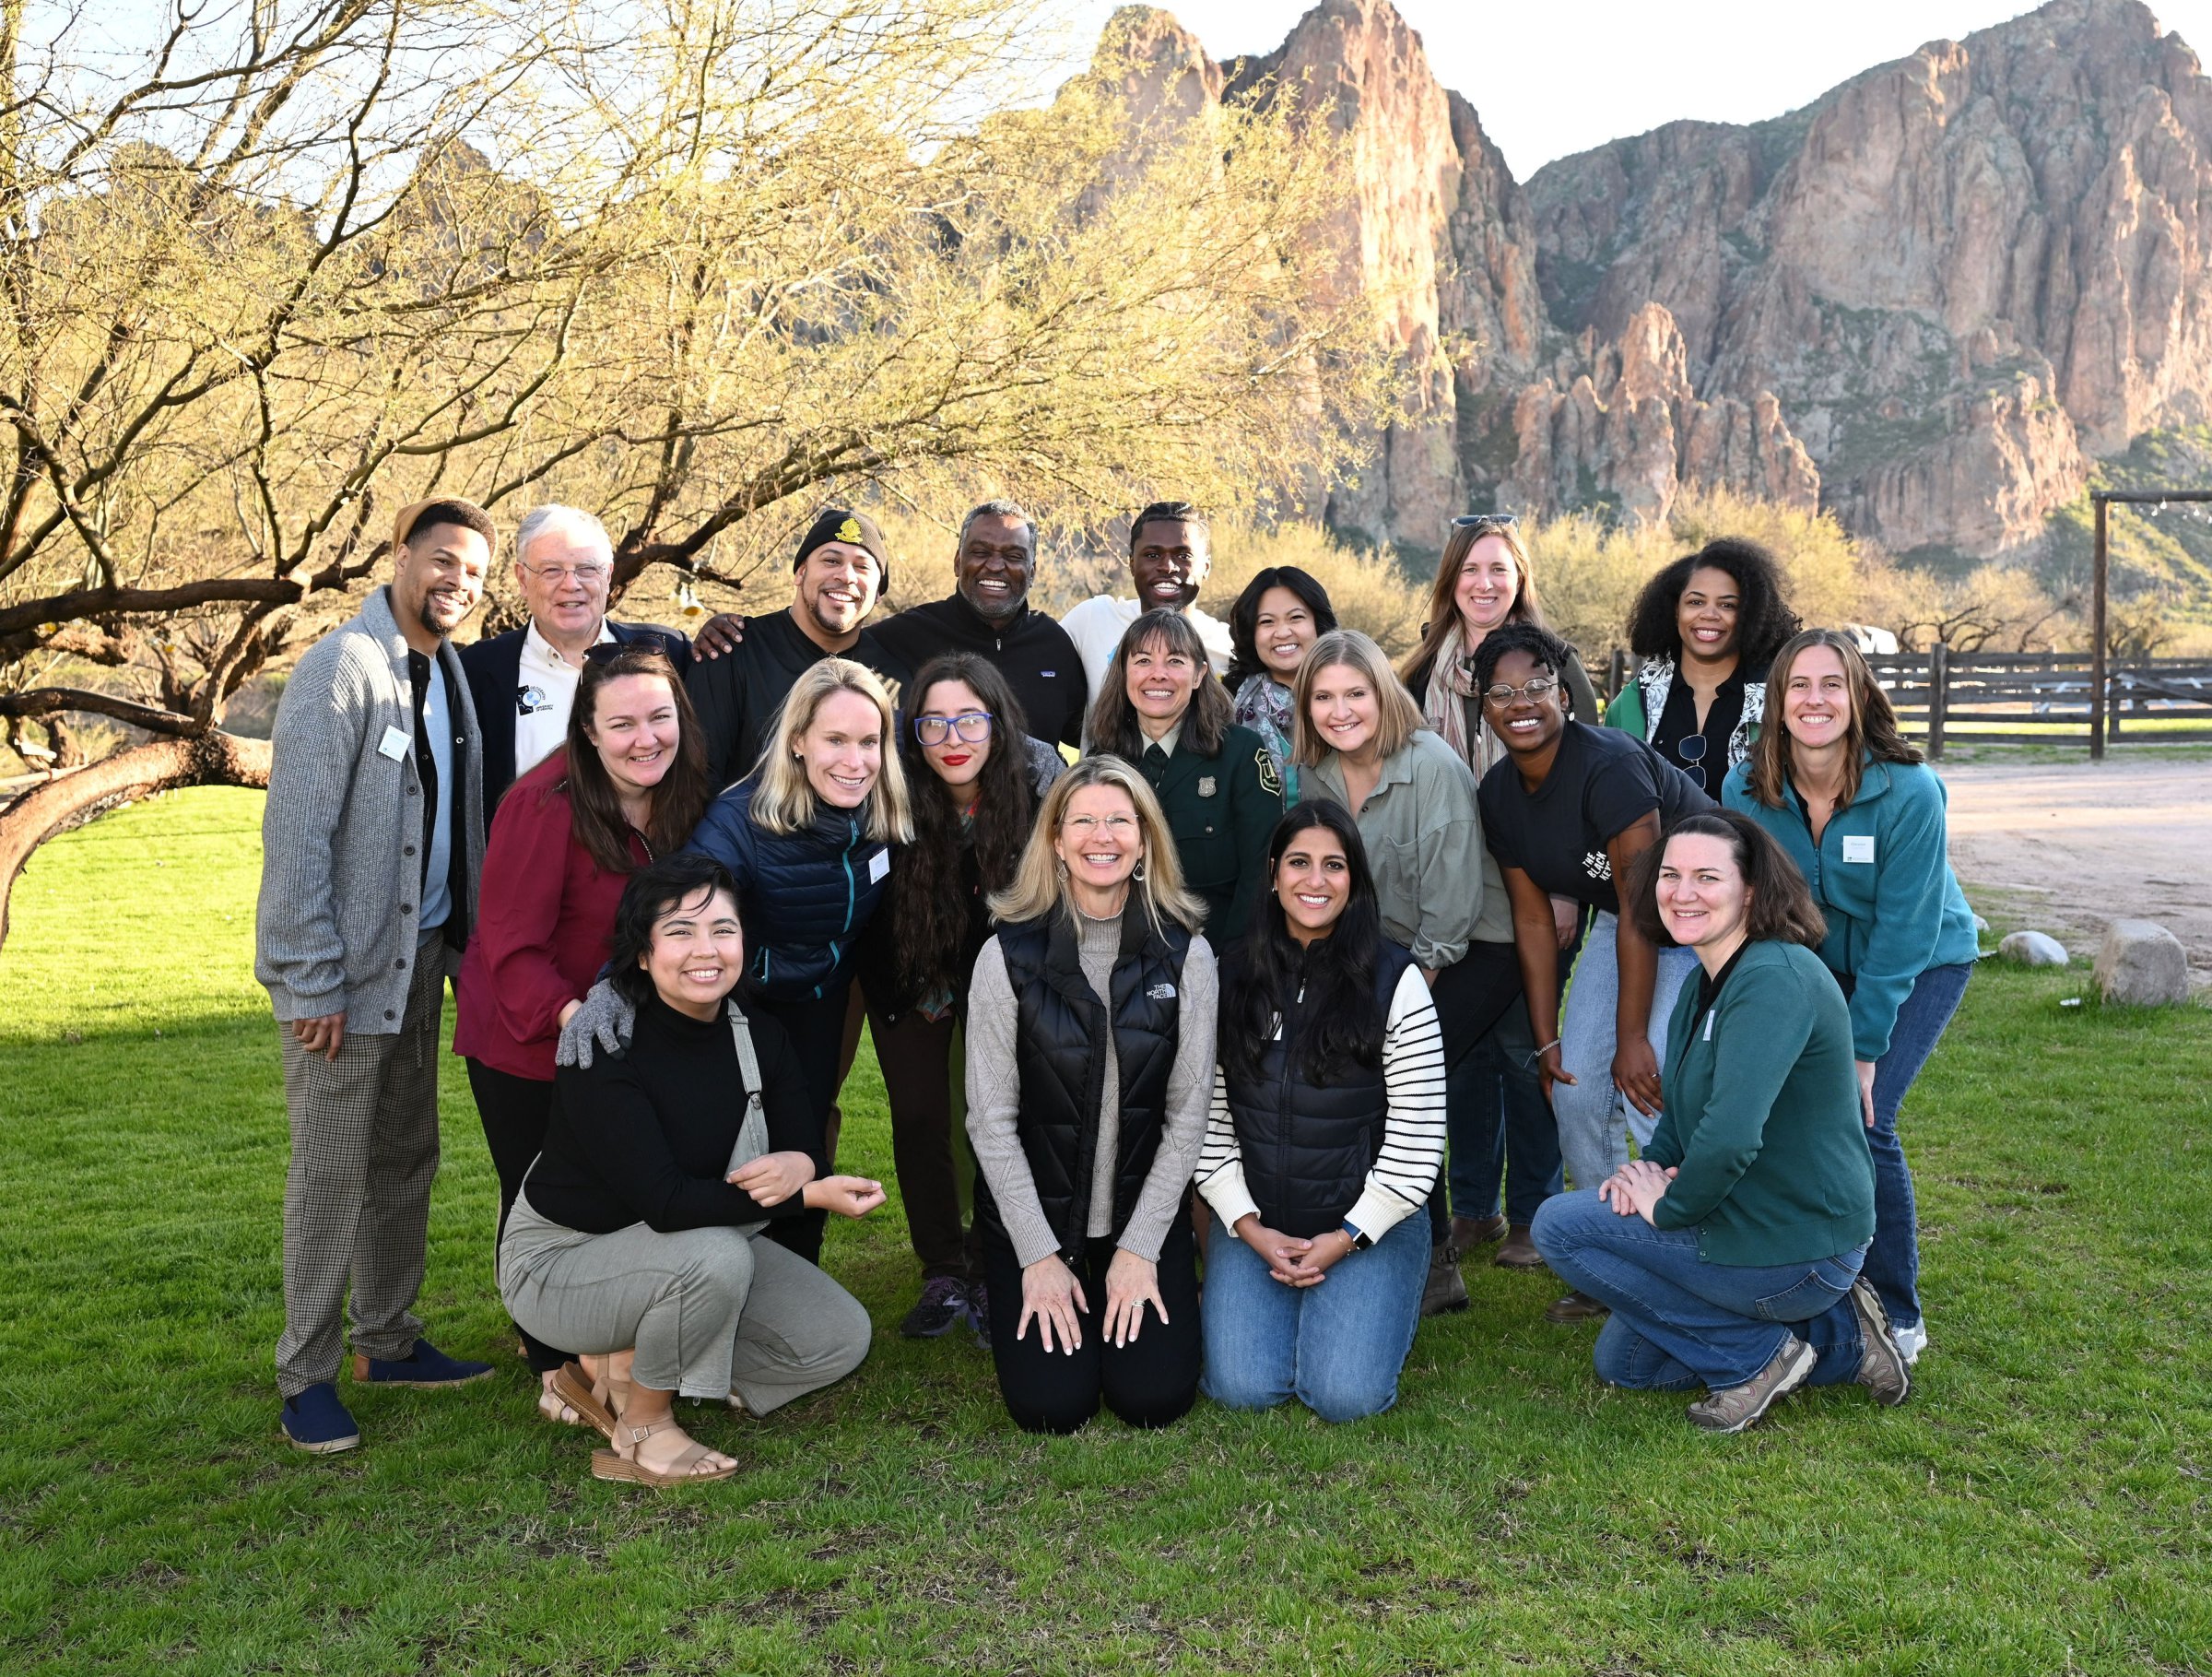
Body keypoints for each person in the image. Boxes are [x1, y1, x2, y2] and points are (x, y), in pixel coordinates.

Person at [500, 855, 884, 1485]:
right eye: (680, 931)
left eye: (723, 930)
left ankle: (618, 1364)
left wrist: (799, 1160)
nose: (706, 949)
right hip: (562, 1262)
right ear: (643, 955)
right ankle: (645, 1424)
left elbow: (799, 1142)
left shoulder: (758, 1033)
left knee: (837, 1338)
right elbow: (669, 1203)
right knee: (718, 1257)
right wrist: (808, 1194)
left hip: (689, 1248)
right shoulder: (606, 1046)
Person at [1531, 812, 1912, 1434]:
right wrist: (1643, 1173)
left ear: (1752, 891)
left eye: (1707, 877)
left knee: (1560, 1226)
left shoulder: (1775, 978)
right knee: (1626, 1361)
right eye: (1671, 875)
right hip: (1744, 1215)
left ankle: (1756, 1358)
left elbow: (1731, 1138)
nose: (1684, 892)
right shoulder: (1704, 982)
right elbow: (1683, 1120)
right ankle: (1842, 1339)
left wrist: (1667, 1207)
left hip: (1801, 1240)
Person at [255, 497, 498, 1455]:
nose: (456, 583)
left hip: (419, 960)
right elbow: (297, 837)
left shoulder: (441, 673)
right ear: (401, 556)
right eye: (443, 562)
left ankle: (386, 1339)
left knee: (404, 1156)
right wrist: (312, 979)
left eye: (474, 573)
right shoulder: (341, 669)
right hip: (343, 983)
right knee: (329, 1174)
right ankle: (304, 1376)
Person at [563, 659, 912, 1267]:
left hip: (821, 996)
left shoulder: (883, 814)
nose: (855, 759)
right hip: (745, 998)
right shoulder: (743, 818)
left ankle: (797, 1274)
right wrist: (612, 987)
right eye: (835, 739)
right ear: (798, 740)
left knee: (803, 1140)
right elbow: (675, 899)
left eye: (869, 740)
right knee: (733, 1140)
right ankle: (698, 1273)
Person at [452, 643, 712, 1417]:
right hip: (528, 1034)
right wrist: (576, 1017)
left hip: (621, 1031)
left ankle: (611, 1338)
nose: (645, 738)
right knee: (543, 1194)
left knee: (617, 1188)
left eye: (660, 718)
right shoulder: (543, 804)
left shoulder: (684, 795)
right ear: (589, 731)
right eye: (623, 722)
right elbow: (509, 942)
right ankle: (553, 1362)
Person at [1724, 629, 1979, 1365]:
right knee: (1789, 1116)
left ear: (1860, 695)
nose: (1815, 699)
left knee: (1867, 1117)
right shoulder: (1746, 790)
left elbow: (1905, 930)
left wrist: (1864, 1045)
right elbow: (1745, 906)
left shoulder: (1910, 791)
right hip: (1815, 967)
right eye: (1799, 685)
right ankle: (1811, 1284)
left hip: (1923, 960)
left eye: (1832, 683)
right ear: (1776, 703)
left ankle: (1897, 1311)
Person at [963, 757, 1216, 1434]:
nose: (1101, 835)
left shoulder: (1186, 953)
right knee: (1052, 1408)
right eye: (1083, 820)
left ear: (1144, 840)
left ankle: (1133, 1282)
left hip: (1141, 1218)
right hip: (1040, 1223)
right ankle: (1052, 1285)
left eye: (1119, 820)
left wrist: (1140, 1249)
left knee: (1153, 1399)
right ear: (1055, 840)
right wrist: (1038, 1258)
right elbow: (990, 1121)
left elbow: (1188, 1114)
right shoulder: (1006, 955)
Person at [1473, 621, 1711, 1323]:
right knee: (1574, 1089)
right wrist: (1546, 1041)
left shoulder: (1608, 764)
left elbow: (1649, 908)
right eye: (1502, 691)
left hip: (1698, 921)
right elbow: (1534, 920)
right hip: (1624, 920)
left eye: (1537, 685)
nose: (1522, 702)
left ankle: (1689, 1254)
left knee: (1652, 1080)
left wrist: (1632, 1033)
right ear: (1482, 706)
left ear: (1565, 693)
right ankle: (1614, 1258)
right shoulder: (1498, 793)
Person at [1196, 802, 1445, 1422]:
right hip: (1259, 1220)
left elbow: (1418, 1140)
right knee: (1243, 1389)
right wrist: (1247, 1225)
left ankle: (1376, 1288)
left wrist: (1347, 1236)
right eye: (1299, 863)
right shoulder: (1230, 972)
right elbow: (1208, 1120)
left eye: (1334, 865)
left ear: (1355, 881)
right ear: (1274, 874)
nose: (1315, 880)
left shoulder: (1397, 979)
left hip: (1365, 1222)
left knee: (1344, 1395)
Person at [1292, 629, 1505, 1317]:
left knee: (1400, 1074)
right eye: (1324, 696)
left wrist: (1398, 1006)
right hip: (1382, 954)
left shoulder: (1431, 765)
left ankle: (1436, 1259)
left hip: (1469, 948)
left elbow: (1452, 905)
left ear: (1383, 693)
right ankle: (1389, 1232)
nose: (1340, 709)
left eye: (1355, 692)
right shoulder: (1316, 769)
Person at [1398, 513, 1591, 1273]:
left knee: (1522, 1045)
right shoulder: (1417, 673)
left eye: (1499, 570)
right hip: (1448, 888)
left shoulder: (1556, 663)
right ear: (1451, 580)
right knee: (1461, 1051)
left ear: (1518, 581)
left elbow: (1582, 775)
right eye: (1471, 570)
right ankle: (1473, 1204)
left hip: (1535, 885)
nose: (1484, 583)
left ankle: (1533, 1213)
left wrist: (1573, 887)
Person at [863, 653, 1064, 1340]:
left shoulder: (1035, 788)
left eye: (970, 720)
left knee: (998, 1112)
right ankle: (943, 1264)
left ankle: (993, 1256)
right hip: (911, 971)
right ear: (912, 732)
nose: (953, 738)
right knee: (920, 1117)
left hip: (1006, 979)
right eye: (935, 722)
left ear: (998, 725)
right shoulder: (886, 790)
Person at [458, 504, 695, 823]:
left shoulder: (668, 652)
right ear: (522, 579)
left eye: (586, 569)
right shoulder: (476, 671)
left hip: (651, 864)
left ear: (608, 576)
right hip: (529, 863)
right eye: (552, 570)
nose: (571, 585)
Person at [1086, 609, 1282, 945]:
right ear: (1123, 672)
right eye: (1143, 661)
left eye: (1175, 661)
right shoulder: (1101, 763)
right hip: (1124, 958)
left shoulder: (1240, 753)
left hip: (1217, 952)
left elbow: (1260, 874)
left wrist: (1232, 964)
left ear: (1199, 674)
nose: (1158, 675)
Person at [684, 506, 912, 789]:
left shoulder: (894, 683)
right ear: (800, 573)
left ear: (878, 592)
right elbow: (697, 781)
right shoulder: (731, 652)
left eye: (863, 566)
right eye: (831, 560)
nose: (846, 575)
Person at [868, 500, 1090, 749]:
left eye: (1014, 556)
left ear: (1032, 573)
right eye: (981, 552)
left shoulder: (1054, 645)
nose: (995, 566)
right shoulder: (905, 635)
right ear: (957, 562)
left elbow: (1090, 733)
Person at [1605, 537, 1800, 786]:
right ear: (1675, 610)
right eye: (1696, 602)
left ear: (1749, 616)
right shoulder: (1630, 704)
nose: (1709, 614)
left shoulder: (1780, 701)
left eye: (1727, 605)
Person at [1059, 501, 1235, 704]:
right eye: (1152, 555)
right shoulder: (1093, 620)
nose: (1168, 567)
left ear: (1206, 567)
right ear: (1132, 563)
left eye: (1183, 556)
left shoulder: (1227, 646)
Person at [1225, 564, 1336, 805]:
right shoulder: (1225, 706)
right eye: (1267, 622)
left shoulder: (1353, 700)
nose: (1283, 632)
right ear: (1251, 633)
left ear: (1318, 624)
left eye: (1296, 618)